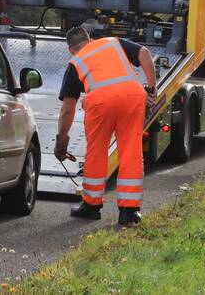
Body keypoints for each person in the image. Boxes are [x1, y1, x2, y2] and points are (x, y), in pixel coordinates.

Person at [55, 24, 157, 225]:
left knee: (97, 151)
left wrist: (62, 141)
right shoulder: (113, 42)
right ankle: (129, 212)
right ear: (90, 39)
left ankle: (91, 206)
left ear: (70, 49)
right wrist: (152, 89)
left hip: (101, 103)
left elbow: (68, 108)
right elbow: (145, 53)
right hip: (132, 96)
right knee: (131, 150)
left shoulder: (75, 62)